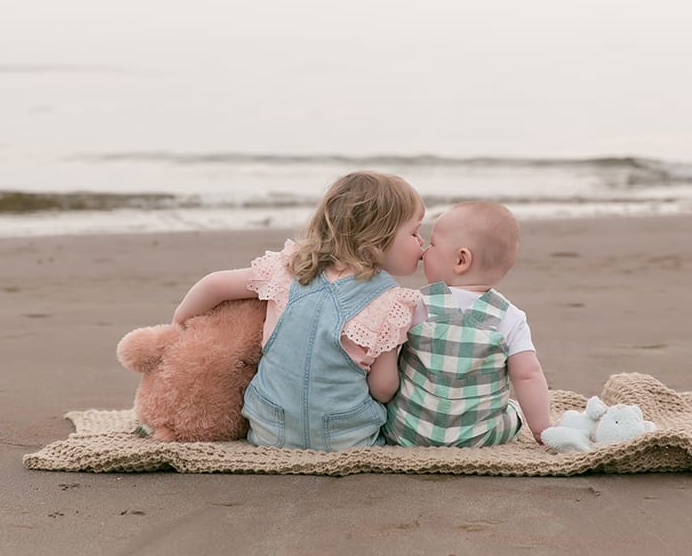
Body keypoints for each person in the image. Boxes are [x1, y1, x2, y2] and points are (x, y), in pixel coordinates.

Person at [172, 171, 424, 451]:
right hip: (348, 439)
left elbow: (215, 284)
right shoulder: (389, 302)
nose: (421, 242)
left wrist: (180, 321)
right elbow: (384, 387)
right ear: (377, 238)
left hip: (269, 430)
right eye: (414, 232)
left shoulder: (288, 270)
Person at [383, 201, 552, 447]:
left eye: (432, 245)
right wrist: (541, 428)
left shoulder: (416, 305)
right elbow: (528, 375)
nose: (423, 253)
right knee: (513, 411)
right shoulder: (510, 317)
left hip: (407, 430)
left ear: (461, 260)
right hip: (478, 437)